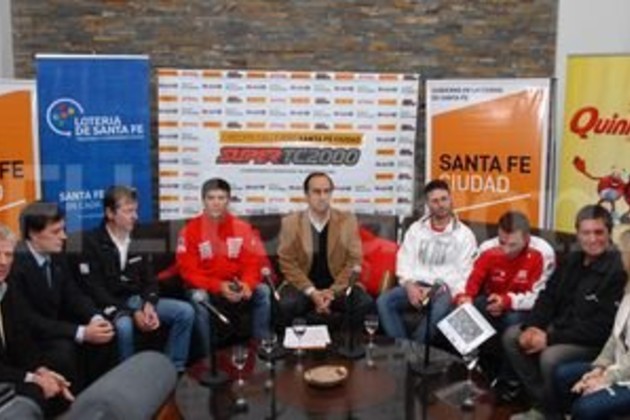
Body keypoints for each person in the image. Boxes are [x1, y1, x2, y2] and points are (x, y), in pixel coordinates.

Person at [504, 205, 626, 420]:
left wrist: (549, 338)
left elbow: (602, 329)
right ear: (577, 234)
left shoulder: (618, 269)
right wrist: (533, 326)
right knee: (512, 336)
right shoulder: (573, 258)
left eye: (599, 232)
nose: (592, 239)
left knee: (551, 357)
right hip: (560, 329)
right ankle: (543, 404)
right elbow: (548, 296)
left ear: (609, 233)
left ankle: (549, 411)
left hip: (591, 342)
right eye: (586, 233)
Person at [76, 186, 194, 372]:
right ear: (110, 213)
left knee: (185, 312)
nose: (135, 216)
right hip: (112, 304)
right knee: (124, 327)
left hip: (138, 301)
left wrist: (149, 304)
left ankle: (174, 369)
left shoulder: (139, 235)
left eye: (135, 210)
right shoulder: (91, 242)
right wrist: (133, 312)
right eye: (128, 211)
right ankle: (128, 378)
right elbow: (96, 291)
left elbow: (150, 280)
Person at [10, 202, 115, 394]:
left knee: (104, 335)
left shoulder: (57, 255)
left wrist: (95, 317)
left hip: (55, 327)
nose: (64, 236)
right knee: (64, 352)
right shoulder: (14, 264)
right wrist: (81, 332)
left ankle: (99, 396)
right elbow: (28, 320)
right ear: (33, 233)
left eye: (63, 230)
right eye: (56, 231)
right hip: (29, 340)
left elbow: (72, 294)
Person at [454, 211, 556, 387]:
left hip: (523, 307)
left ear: (527, 238)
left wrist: (508, 301)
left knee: (512, 320)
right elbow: (470, 278)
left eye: (513, 245)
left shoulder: (543, 252)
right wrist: (464, 297)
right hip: (491, 300)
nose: (506, 250)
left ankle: (507, 380)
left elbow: (541, 297)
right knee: (466, 309)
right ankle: (468, 366)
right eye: (502, 242)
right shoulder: (488, 248)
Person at [176, 178, 270, 356]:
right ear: (203, 201)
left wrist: (246, 284)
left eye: (221, 198)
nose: (216, 203)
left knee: (263, 291)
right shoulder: (189, 231)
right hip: (205, 288)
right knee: (199, 298)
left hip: (236, 284)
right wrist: (219, 286)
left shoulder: (242, 228)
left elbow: (252, 263)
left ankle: (262, 348)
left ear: (228, 201)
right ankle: (206, 358)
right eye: (211, 198)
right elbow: (188, 272)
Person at [377, 179, 477, 342]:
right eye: (435, 201)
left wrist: (436, 290)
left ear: (451, 199)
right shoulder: (416, 229)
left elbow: (465, 273)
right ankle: (404, 347)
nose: (441, 205)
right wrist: (409, 285)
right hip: (415, 285)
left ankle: (415, 348)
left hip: (443, 290)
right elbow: (404, 260)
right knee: (384, 301)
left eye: (444, 199)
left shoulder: (464, 235)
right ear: (428, 204)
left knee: (440, 307)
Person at [277, 172, 373, 330]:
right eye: (316, 192)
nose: (322, 197)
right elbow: (287, 262)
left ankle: (346, 343)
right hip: (302, 287)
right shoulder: (291, 223)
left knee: (364, 303)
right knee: (286, 304)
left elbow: (354, 260)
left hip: (338, 286)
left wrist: (332, 292)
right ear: (306, 195)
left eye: (326, 191)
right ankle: (293, 345)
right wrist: (312, 292)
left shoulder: (347, 221)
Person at [553, 228, 630, 420]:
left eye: (623, 253)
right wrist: (599, 367)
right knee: (563, 375)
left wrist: (605, 379)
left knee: (586, 408)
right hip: (618, 366)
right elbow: (615, 336)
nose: (620, 258)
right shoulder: (627, 289)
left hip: (625, 374)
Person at [0, 223, 74, 415]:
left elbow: (21, 341)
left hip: (8, 371)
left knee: (57, 386)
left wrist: (41, 371)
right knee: (36, 391)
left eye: (8, 255)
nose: (3, 262)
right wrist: (33, 378)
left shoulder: (7, 291)